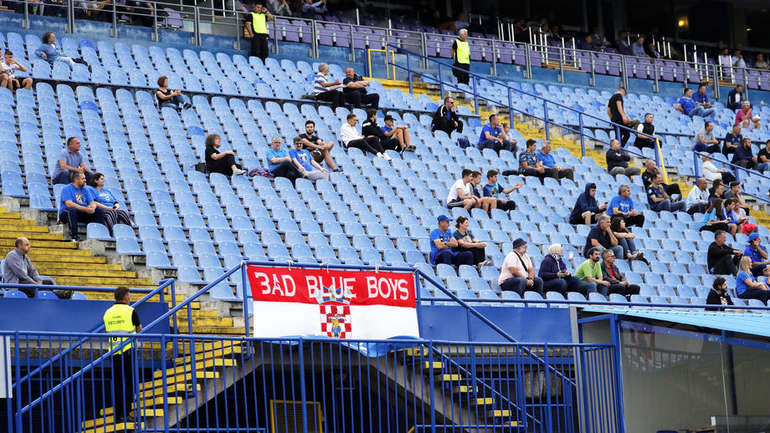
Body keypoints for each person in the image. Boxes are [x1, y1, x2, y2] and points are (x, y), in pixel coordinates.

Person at [103, 287, 142, 423]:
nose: (130, 298)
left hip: (114, 352)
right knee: (130, 383)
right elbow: (139, 328)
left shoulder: (108, 312)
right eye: (129, 295)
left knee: (118, 384)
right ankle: (127, 413)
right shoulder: (130, 310)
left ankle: (118, 415)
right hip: (128, 351)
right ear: (125, 297)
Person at [59, 172, 110, 242]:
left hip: (82, 213)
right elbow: (69, 204)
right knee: (72, 210)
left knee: (98, 210)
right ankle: (74, 236)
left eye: (85, 178)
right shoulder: (67, 188)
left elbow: (92, 202)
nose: (85, 180)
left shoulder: (85, 189)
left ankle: (98, 235)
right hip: (66, 214)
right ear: (76, 180)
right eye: (83, 178)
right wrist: (86, 209)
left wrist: (92, 208)